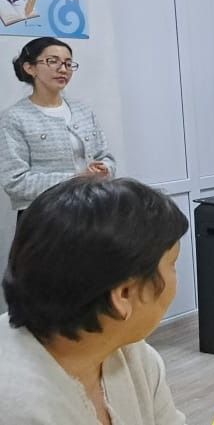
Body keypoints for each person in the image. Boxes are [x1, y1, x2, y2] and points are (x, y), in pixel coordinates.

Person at [0, 176, 188, 424]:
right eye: (172, 264)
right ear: (124, 294)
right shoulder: (17, 408)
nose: (176, 277)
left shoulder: (131, 354)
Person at [0, 37, 115, 218]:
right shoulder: (14, 118)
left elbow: (105, 156)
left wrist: (105, 169)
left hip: (91, 208)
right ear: (30, 68)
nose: (63, 69)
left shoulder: (83, 111)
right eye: (52, 61)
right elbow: (15, 181)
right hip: (44, 216)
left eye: (68, 64)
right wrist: (77, 178)